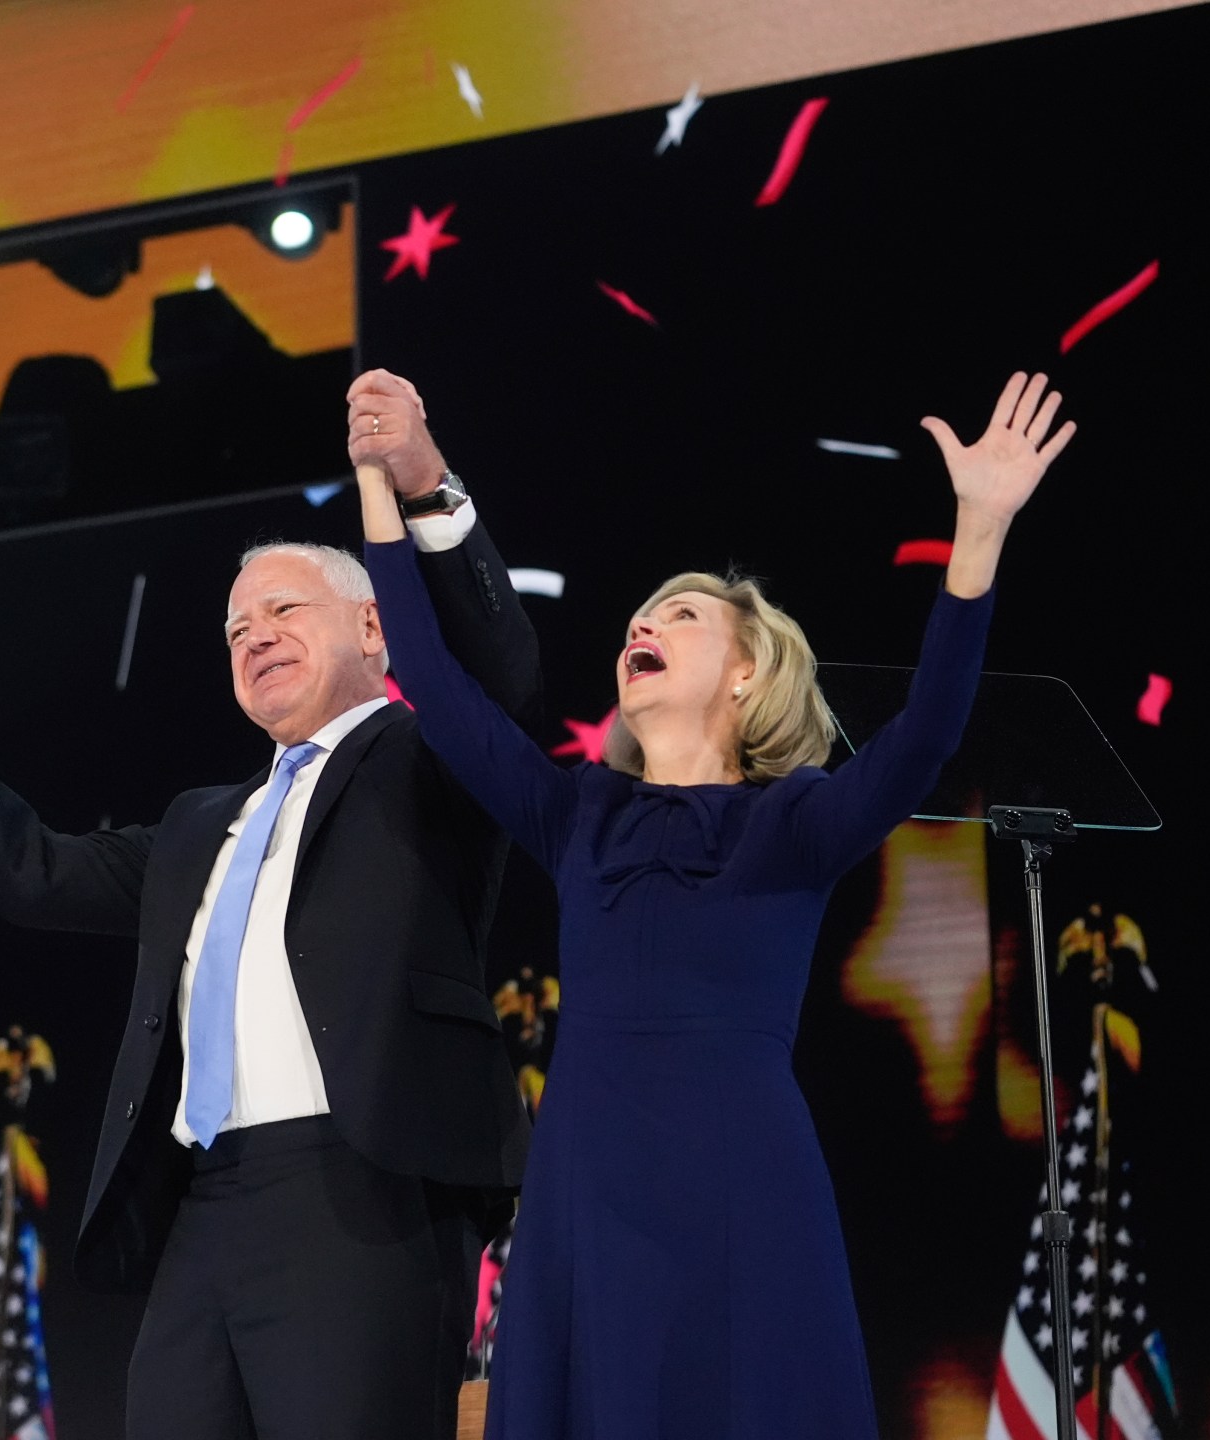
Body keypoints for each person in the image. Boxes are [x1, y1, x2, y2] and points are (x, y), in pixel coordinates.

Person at [350, 372, 1073, 1437]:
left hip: (740, 1179)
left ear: (744, 674)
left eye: (679, 616)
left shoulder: (800, 824)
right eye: (640, 617)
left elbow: (924, 737)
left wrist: (980, 528)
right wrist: (376, 476)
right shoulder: (577, 814)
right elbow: (428, 674)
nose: (642, 623)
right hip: (583, 1189)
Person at [0, 370, 541, 1439]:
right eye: (232, 628)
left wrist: (425, 483)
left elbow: (491, 668)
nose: (251, 633)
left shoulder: (429, 761)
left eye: (281, 609)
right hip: (201, 1202)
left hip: (361, 1187)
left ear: (373, 625)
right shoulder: (198, 822)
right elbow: (31, 873)